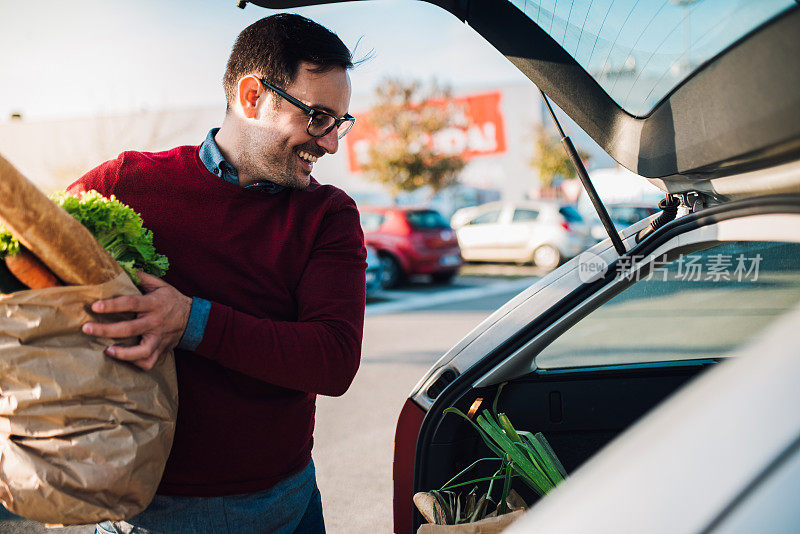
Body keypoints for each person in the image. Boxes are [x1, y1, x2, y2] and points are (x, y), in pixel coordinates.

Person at [68, 13, 366, 534]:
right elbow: (28, 281)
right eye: (318, 116)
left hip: (285, 508)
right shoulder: (126, 183)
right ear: (253, 97)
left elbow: (332, 360)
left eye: (339, 122)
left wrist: (190, 321)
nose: (331, 142)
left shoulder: (328, 215)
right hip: (143, 514)